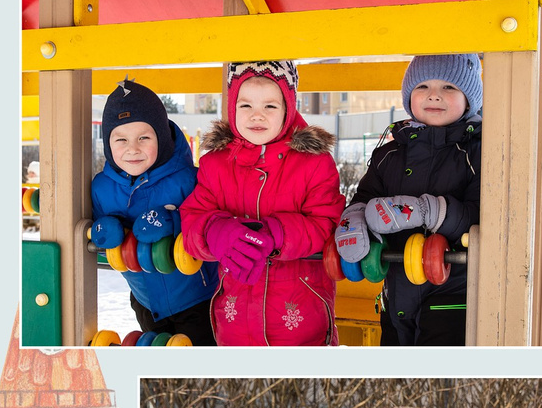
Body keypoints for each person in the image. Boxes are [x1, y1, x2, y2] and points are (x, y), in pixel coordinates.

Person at [183, 61, 346, 345]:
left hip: (301, 322)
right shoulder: (215, 164)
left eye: (270, 106)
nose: (257, 116)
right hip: (234, 322)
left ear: (288, 108)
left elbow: (328, 223)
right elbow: (194, 218)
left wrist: (278, 233)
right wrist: (214, 231)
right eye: (246, 106)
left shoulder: (315, 163)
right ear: (233, 108)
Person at [340, 55, 482, 345]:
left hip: (451, 295)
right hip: (395, 296)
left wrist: (427, 211)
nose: (434, 95)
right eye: (423, 86)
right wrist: (353, 220)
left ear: (469, 99)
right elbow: (365, 198)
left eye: (449, 88)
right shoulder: (388, 154)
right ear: (408, 97)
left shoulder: (478, 152)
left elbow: (482, 215)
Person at [88, 79, 219, 344]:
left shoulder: (189, 180)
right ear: (108, 142)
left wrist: (173, 220)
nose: (132, 148)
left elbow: (211, 221)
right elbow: (94, 234)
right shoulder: (101, 188)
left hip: (198, 300)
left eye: (143, 138)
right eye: (121, 139)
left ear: (161, 137)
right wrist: (103, 228)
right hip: (145, 302)